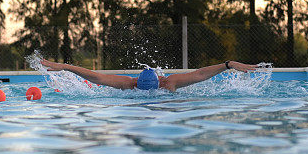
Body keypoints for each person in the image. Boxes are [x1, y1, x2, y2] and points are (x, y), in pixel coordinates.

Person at [39, 59, 258, 92]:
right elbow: (200, 75)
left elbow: (96, 77)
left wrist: (229, 64)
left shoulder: (128, 85)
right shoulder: (168, 84)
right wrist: (228, 65)